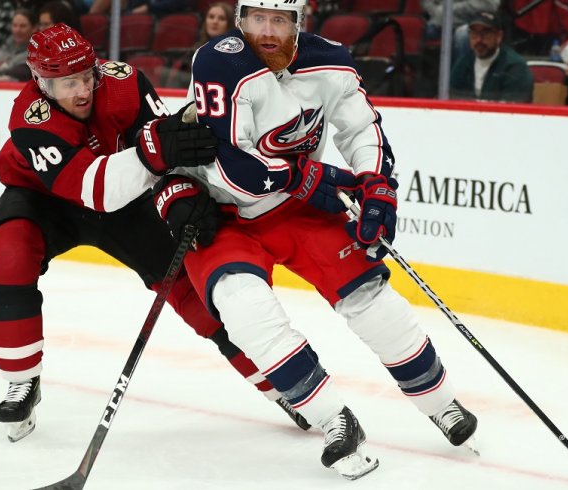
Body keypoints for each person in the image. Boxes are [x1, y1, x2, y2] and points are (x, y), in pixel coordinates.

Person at [155, 0, 478, 480]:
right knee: (244, 310)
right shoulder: (220, 61)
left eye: (279, 20)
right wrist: (310, 177)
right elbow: (232, 165)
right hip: (219, 212)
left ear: (298, 23)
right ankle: (332, 418)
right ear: (241, 20)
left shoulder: (331, 61)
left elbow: (362, 127)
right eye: (257, 19)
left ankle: (441, 402)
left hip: (294, 209)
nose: (266, 31)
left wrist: (375, 185)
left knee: (370, 296)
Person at [0, 23, 309, 443]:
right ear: (39, 81)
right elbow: (93, 189)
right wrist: (153, 154)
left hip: (129, 201)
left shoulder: (125, 84)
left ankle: (282, 385)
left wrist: (181, 194)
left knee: (195, 292)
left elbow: (169, 152)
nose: (81, 90)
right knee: (8, 258)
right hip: (46, 199)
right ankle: (22, 379)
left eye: (86, 76)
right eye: (66, 83)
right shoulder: (30, 118)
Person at [450, 10, 533, 102]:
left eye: (485, 33)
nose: (479, 40)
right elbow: (451, 99)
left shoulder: (514, 66)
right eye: (474, 33)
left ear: (499, 36)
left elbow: (513, 109)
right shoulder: (464, 63)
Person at [166, 1, 236, 88]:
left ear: (229, 24)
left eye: (221, 18)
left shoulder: (234, 55)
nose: (215, 21)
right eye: (211, 17)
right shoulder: (195, 50)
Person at [0, 8, 37, 80]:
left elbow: (23, 72)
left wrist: (1, 68)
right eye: (15, 25)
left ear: (34, 28)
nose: (17, 30)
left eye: (23, 26)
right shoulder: (5, 44)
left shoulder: (36, 51)